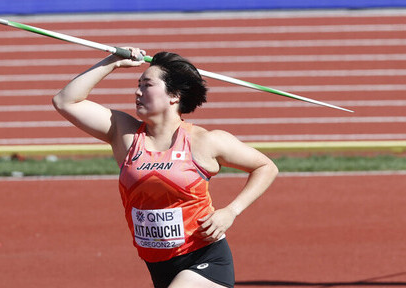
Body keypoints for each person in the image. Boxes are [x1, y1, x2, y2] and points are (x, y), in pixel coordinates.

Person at [52, 48, 278, 288]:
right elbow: (65, 101)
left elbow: (266, 166)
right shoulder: (125, 134)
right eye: (138, 84)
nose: (137, 92)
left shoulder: (204, 141)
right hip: (158, 265)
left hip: (205, 258)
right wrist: (113, 62)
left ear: (174, 96)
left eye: (147, 85)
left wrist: (231, 211)